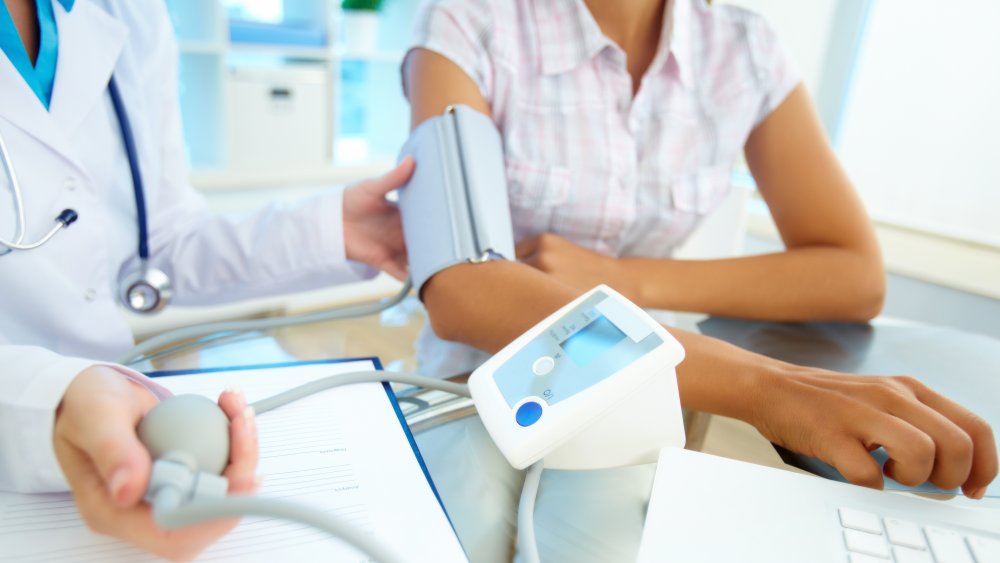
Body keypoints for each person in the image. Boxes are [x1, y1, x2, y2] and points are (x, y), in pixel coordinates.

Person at [401, 0, 996, 516]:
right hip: (479, 389)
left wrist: (618, 279)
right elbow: (462, 288)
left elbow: (852, 274)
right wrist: (770, 389)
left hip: (649, 396)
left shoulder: (744, 48)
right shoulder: (469, 22)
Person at [0, 0, 412, 559]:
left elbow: (161, 242)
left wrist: (336, 230)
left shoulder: (131, 14)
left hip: (129, 440)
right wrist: (47, 400)